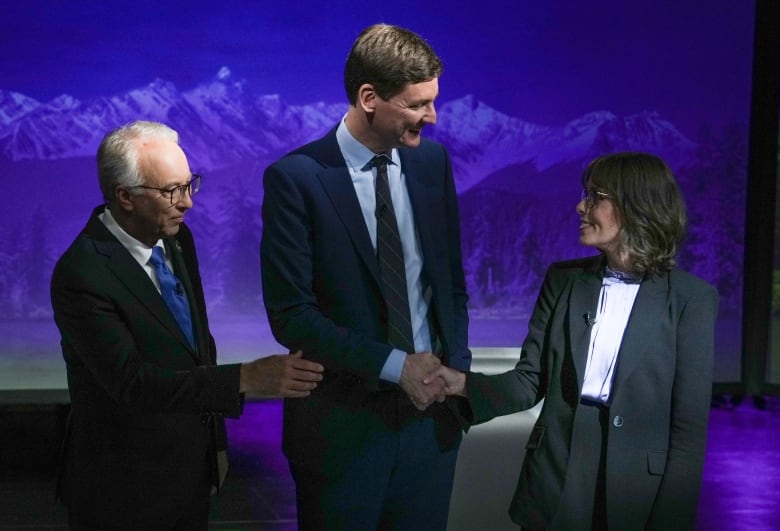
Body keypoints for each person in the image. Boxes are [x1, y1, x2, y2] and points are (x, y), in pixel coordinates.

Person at [50, 120, 324, 530]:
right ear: (124, 196)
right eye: (170, 191)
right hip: (121, 490)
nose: (188, 202)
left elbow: (196, 347)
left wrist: (214, 447)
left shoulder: (177, 239)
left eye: (189, 184)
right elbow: (132, 383)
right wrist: (244, 378)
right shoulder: (82, 273)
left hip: (189, 475)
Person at [426, 152, 719, 530]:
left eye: (596, 196)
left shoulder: (691, 300)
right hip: (556, 473)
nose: (581, 206)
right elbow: (530, 380)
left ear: (636, 207)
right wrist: (465, 385)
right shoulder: (563, 280)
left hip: (638, 489)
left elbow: (688, 432)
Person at [260, 23, 471, 531]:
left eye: (433, 100)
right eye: (418, 103)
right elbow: (292, 316)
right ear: (369, 97)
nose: (432, 117)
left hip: (431, 426)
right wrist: (398, 367)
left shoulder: (431, 164)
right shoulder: (297, 180)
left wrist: (455, 377)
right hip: (342, 433)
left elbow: (450, 284)